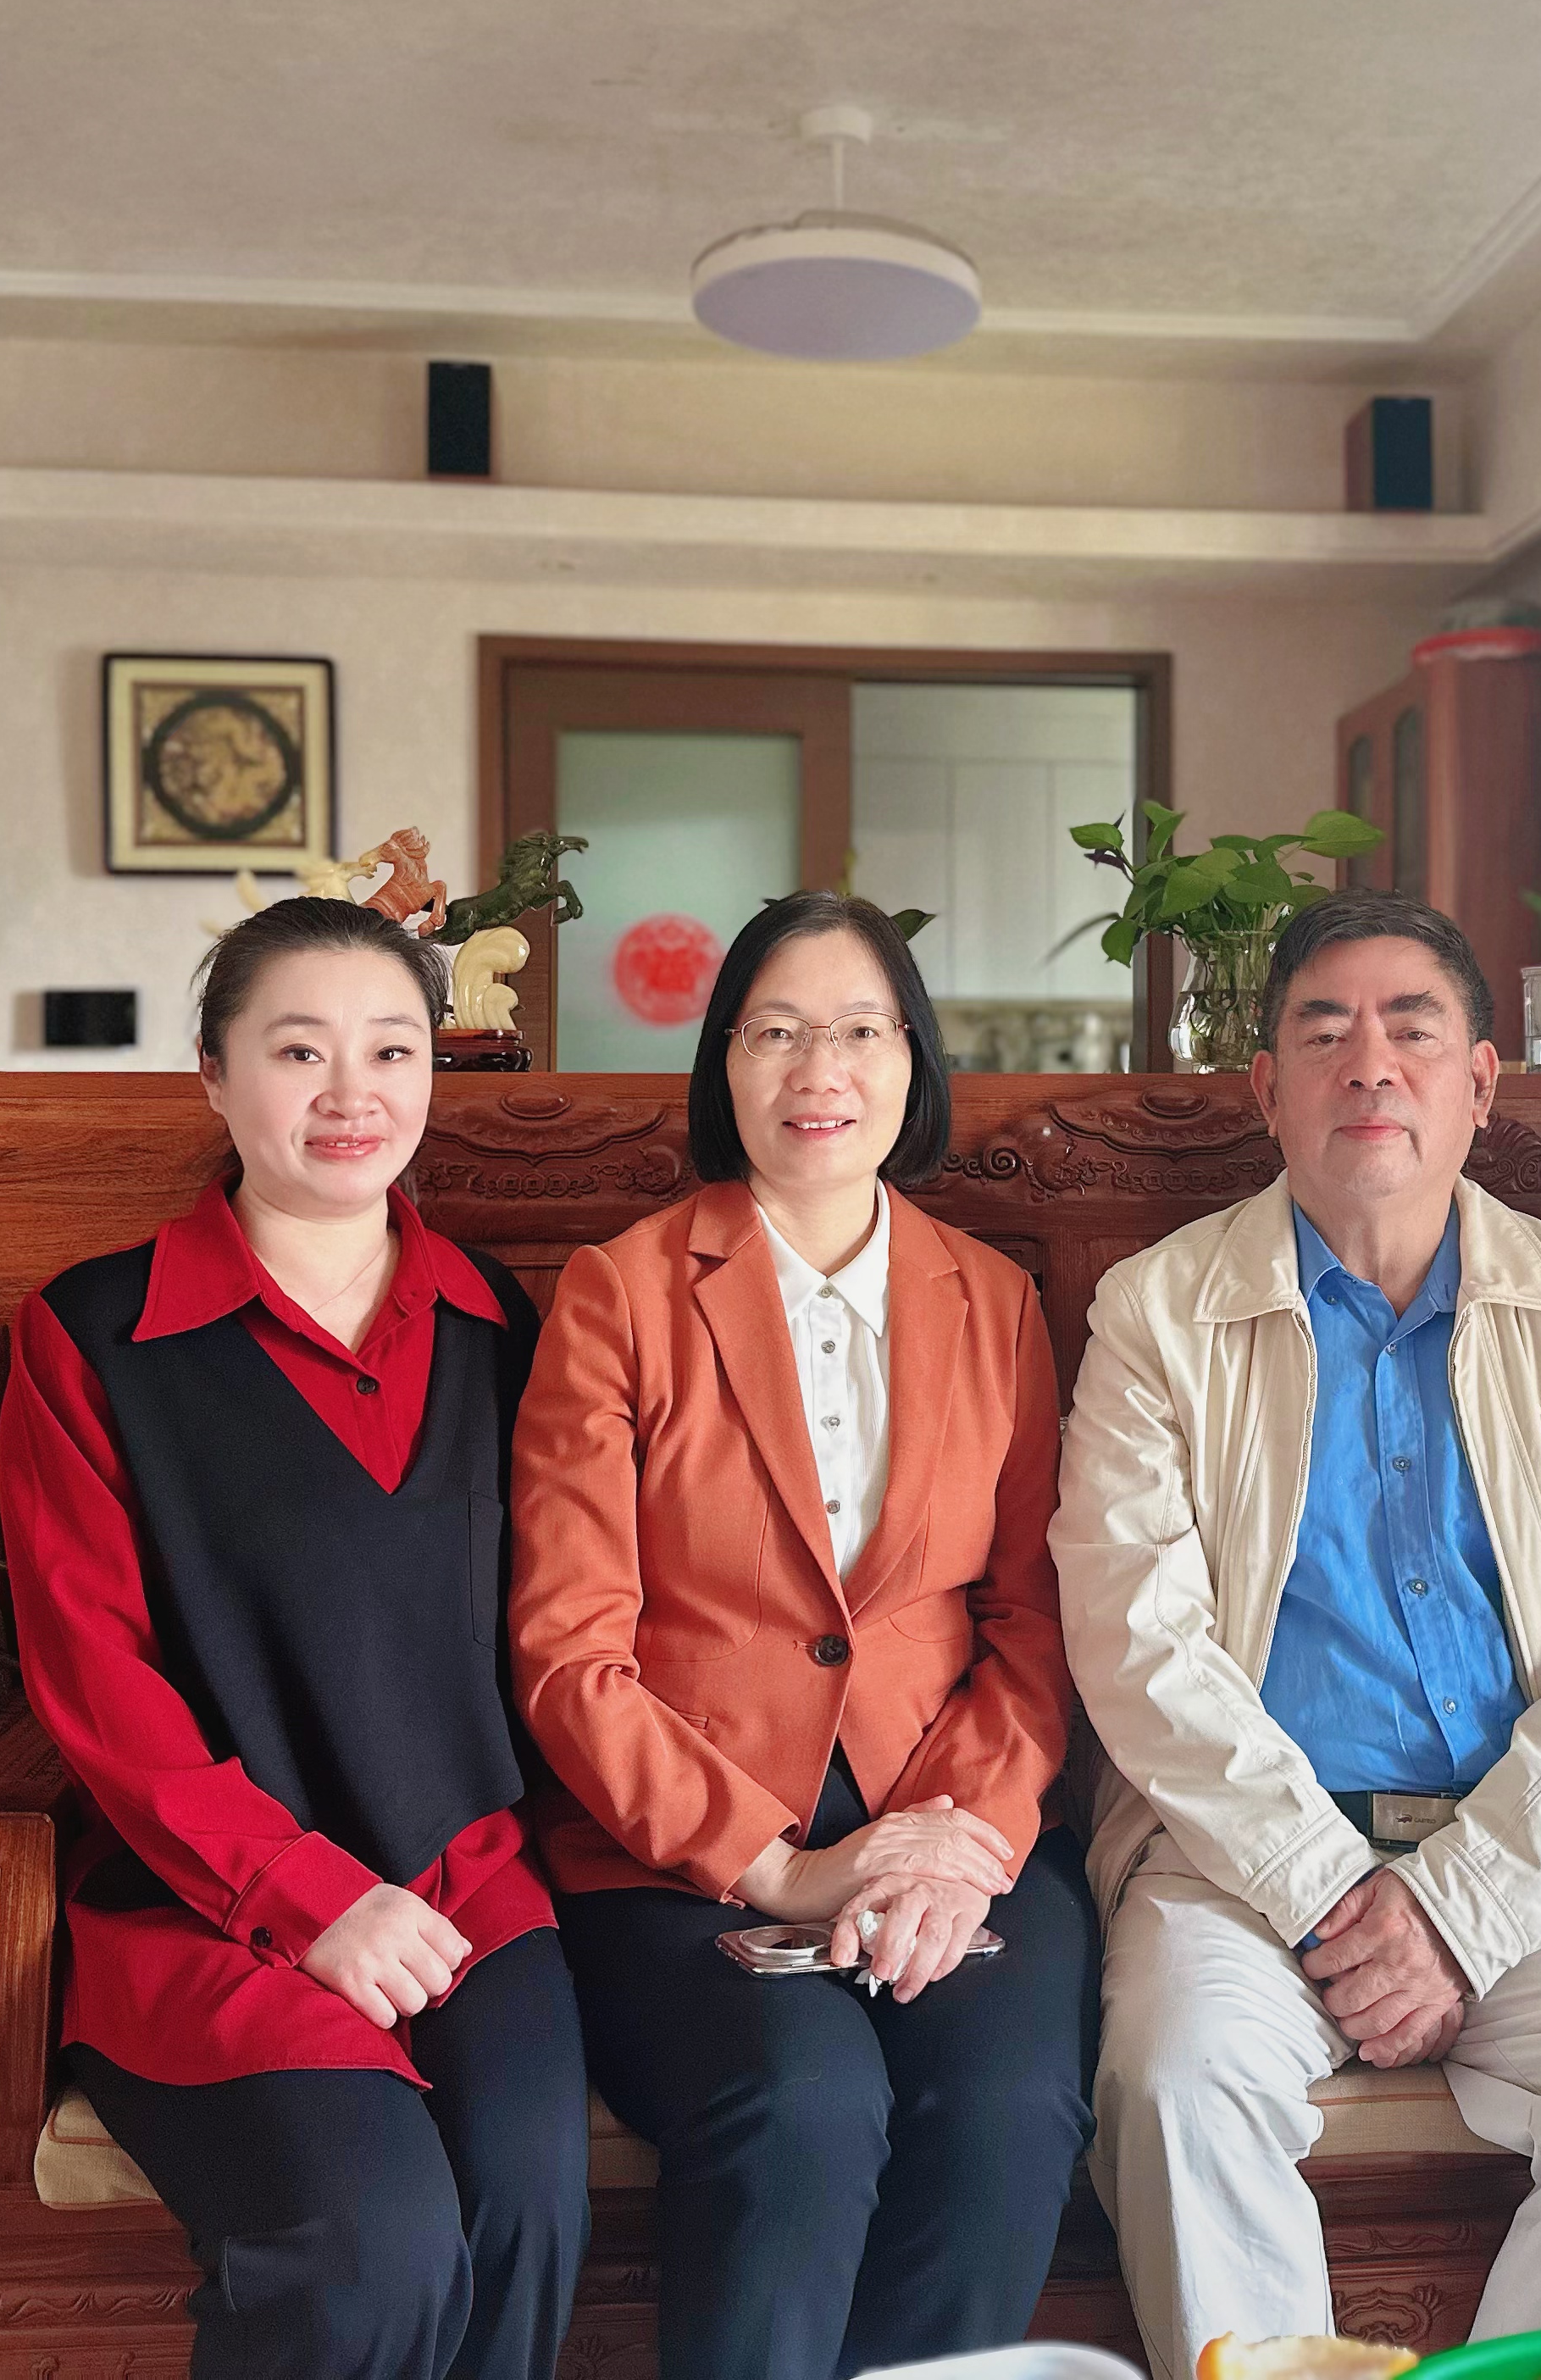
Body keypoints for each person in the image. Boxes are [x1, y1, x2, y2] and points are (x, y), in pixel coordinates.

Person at [1053, 887, 1541, 2380]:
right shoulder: (1156, 1312)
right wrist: (1326, 1889)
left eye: (1412, 1029)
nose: (1369, 1064)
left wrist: (1461, 1911)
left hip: (1537, 1855)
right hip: (1238, 1862)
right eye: (1325, 1032)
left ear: (1482, 1083)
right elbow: (1138, 1639)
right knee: (1177, 2090)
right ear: (1268, 1090)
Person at [0, 895, 590, 2380]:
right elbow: (95, 1678)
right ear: (213, 1073)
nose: (351, 1094)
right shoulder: (92, 1334)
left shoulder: (494, 1323)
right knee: (370, 2254)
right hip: (207, 1902)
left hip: (468, 1881)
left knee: (527, 2204)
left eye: (392, 1049)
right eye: (299, 1050)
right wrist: (306, 1898)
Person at [508, 892, 1094, 2380]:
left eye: (857, 1031)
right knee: (806, 2104)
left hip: (945, 1811)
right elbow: (570, 1651)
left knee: (1006, 2104)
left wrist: (955, 1847)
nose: (817, 1069)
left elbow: (1030, 1619)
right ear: (723, 1064)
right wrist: (778, 1867)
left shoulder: (995, 1300)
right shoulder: (621, 1293)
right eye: (774, 1032)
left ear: (912, 1062)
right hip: (680, 1845)